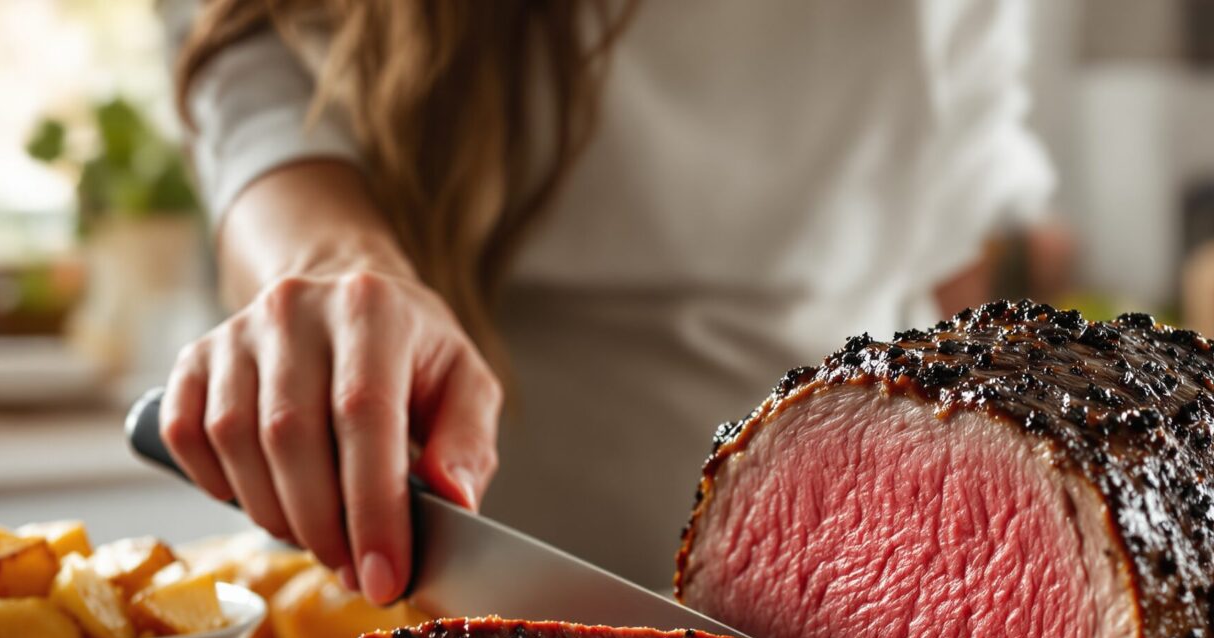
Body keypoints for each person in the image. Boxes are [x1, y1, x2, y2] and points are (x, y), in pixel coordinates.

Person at [158, 0, 1054, 600]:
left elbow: (951, 238)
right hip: (447, 593)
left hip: (868, 585)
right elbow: (258, 83)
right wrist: (334, 267)